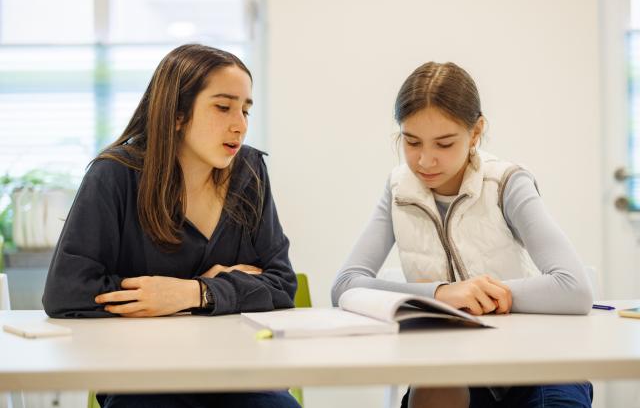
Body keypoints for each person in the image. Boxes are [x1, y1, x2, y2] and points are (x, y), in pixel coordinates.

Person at [43, 44, 300, 408]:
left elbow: (281, 284)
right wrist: (235, 286)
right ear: (177, 114)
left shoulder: (250, 172)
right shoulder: (114, 175)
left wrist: (193, 293)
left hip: (240, 372)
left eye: (245, 110)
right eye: (223, 106)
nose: (240, 124)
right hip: (144, 377)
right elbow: (67, 291)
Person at [331, 61, 594, 408]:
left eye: (444, 143)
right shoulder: (398, 189)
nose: (425, 160)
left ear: (475, 132)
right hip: (452, 370)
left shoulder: (507, 183)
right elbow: (345, 285)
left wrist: (477, 296)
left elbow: (574, 289)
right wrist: (441, 295)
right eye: (411, 142)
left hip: (537, 366)